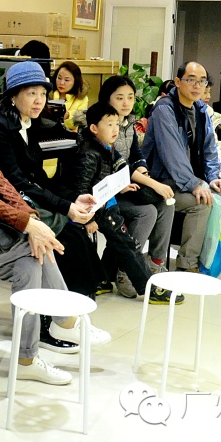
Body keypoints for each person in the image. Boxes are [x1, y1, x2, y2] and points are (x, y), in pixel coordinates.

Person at [0, 64, 102, 385]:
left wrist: (32, 220)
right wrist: (28, 224)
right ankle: (65, 319)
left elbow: (2, 182)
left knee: (31, 260)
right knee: (38, 244)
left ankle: (27, 356)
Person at [0, 60, 111, 298]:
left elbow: (40, 177)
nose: (39, 100)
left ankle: (78, 302)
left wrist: (73, 198)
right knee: (67, 240)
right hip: (10, 205)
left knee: (75, 234)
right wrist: (65, 207)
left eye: (42, 93)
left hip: (27, 196)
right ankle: (61, 306)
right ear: (13, 96)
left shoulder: (30, 123)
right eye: (32, 93)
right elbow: (16, 182)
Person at [59, 102, 183, 305]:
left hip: (108, 202)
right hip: (97, 209)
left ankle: (102, 279)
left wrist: (121, 185)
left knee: (121, 241)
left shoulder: (105, 145)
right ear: (94, 128)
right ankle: (149, 288)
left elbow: (109, 174)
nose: (115, 129)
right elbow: (80, 189)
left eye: (117, 124)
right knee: (127, 244)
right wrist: (87, 220)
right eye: (109, 124)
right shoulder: (89, 153)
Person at [140, 62, 221, 274]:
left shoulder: (201, 110)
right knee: (202, 203)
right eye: (191, 80)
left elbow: (210, 148)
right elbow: (172, 154)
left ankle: (212, 258)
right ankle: (188, 263)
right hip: (162, 182)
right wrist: (195, 184)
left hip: (191, 180)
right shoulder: (164, 109)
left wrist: (213, 176)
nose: (197, 86)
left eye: (202, 81)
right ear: (178, 82)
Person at [97, 76, 175, 282]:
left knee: (166, 204)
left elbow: (136, 155)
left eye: (130, 97)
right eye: (119, 98)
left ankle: (155, 263)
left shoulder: (128, 123)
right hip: (105, 193)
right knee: (147, 212)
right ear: (107, 99)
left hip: (126, 187)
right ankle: (127, 270)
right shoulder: (101, 124)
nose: (126, 103)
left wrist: (143, 170)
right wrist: (152, 183)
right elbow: (119, 164)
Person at [50, 60, 89, 132]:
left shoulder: (81, 98)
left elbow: (80, 123)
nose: (62, 83)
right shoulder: (48, 94)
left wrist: (68, 117)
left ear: (75, 81)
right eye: (59, 78)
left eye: (67, 80)